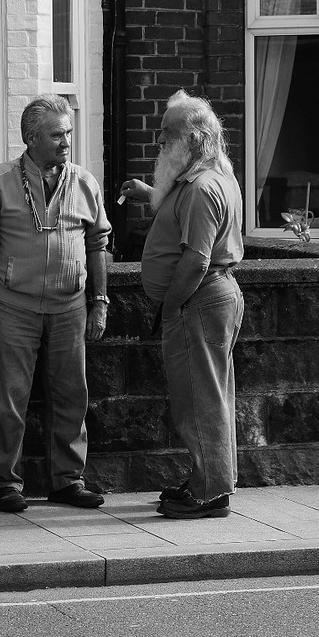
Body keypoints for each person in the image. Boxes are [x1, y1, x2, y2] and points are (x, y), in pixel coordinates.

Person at [0, 94, 112, 513]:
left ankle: (68, 480)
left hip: (71, 306)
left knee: (72, 395)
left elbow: (98, 243)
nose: (67, 141)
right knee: (10, 397)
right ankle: (5, 483)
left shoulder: (84, 182)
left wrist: (99, 301)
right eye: (57, 134)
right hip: (15, 305)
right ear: (31, 139)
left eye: (69, 133)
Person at [119, 90, 244, 520]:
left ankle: (209, 492)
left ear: (192, 138)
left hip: (198, 301)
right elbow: (182, 214)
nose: (159, 141)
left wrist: (170, 307)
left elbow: (196, 259)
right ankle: (209, 479)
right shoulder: (205, 177)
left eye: (167, 133)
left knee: (198, 400)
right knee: (207, 395)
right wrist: (147, 193)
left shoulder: (201, 187)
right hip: (208, 300)